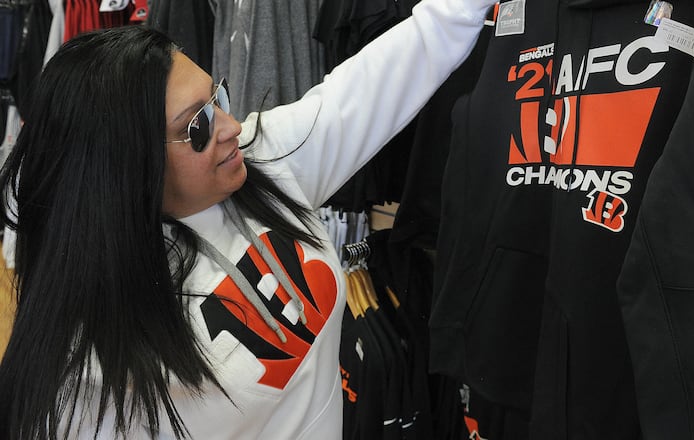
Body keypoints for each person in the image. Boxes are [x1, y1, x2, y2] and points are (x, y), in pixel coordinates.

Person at [0, 0, 497, 438]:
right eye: (197, 125)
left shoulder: (258, 165)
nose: (232, 126)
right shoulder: (84, 370)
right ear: (125, 166)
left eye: (218, 99)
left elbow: (367, 88)